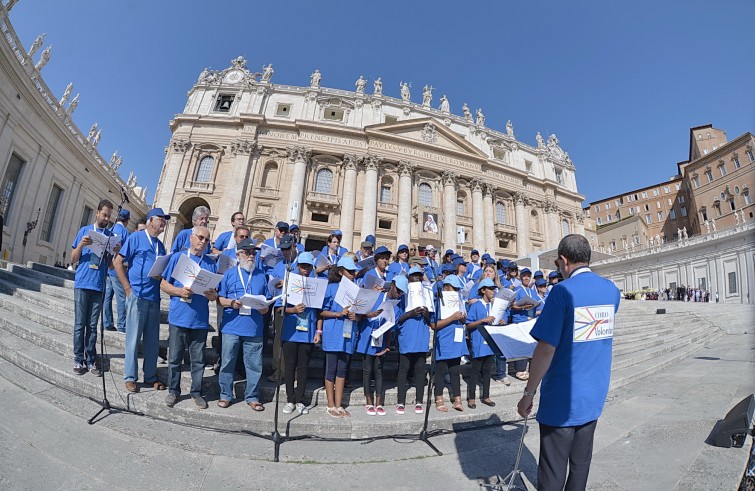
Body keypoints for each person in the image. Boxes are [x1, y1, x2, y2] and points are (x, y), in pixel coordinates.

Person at [517, 234, 620, 491]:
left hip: (562, 397)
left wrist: (529, 393)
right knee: (580, 465)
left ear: (563, 261)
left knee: (552, 470)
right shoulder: (611, 289)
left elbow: (545, 349)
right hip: (594, 393)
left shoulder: (562, 291)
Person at [161, 226, 219, 409]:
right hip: (179, 316)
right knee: (175, 357)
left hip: (200, 319)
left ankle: (196, 391)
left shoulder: (210, 264)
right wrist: (179, 291)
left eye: (207, 240)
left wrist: (212, 295)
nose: (203, 242)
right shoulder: (178, 257)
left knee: (198, 360)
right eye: (200, 237)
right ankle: (173, 390)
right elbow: (163, 283)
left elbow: (215, 293)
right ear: (191, 238)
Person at [115, 208, 170, 393]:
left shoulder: (160, 246)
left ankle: (150, 376)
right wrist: (127, 288)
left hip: (154, 298)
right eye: (161, 219)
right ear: (151, 220)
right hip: (137, 295)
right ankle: (130, 377)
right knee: (133, 339)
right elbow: (117, 262)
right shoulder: (136, 238)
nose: (164, 222)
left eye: (165, 220)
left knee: (152, 341)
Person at [216, 238, 267, 410]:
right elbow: (219, 299)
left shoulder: (261, 275)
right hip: (231, 325)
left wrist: (264, 309)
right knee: (228, 362)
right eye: (247, 252)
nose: (251, 256)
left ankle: (252, 396)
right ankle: (225, 394)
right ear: (238, 254)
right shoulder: (229, 274)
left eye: (253, 253)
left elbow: (266, 302)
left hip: (254, 327)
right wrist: (231, 303)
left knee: (254, 365)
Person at [70, 199, 117, 376]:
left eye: (109, 216)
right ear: (97, 213)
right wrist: (82, 244)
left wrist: (115, 252)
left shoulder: (109, 238)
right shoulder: (84, 231)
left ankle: (91, 360)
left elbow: (112, 267)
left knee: (92, 325)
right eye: (104, 214)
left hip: (98, 286)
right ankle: (78, 359)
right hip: (82, 283)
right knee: (79, 324)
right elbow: (73, 258)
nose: (106, 218)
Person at [320, 256, 361, 417]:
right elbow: (321, 311)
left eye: (353, 271)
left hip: (348, 332)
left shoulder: (356, 289)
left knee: (343, 369)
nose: (352, 274)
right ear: (341, 272)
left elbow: (360, 313)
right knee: (331, 368)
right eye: (349, 271)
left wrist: (356, 317)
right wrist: (338, 313)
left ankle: (339, 404)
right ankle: (330, 404)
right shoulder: (331, 288)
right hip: (333, 332)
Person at [357, 275, 404, 416]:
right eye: (398, 290)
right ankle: (369, 401)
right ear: (393, 285)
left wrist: (387, 345)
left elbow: (390, 325)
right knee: (367, 370)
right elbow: (359, 315)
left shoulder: (395, 305)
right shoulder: (375, 295)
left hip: (381, 340)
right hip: (367, 337)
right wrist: (370, 315)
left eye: (402, 292)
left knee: (379, 370)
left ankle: (379, 402)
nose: (399, 293)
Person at [280, 252, 320, 415]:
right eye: (302, 266)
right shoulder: (288, 282)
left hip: (308, 332)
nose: (305, 269)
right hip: (290, 331)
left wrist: (318, 331)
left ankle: (300, 400)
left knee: (303, 367)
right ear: (297, 266)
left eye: (308, 266)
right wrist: (293, 310)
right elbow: (279, 308)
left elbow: (319, 312)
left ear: (312, 267)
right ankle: (290, 399)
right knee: (289, 367)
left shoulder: (316, 284)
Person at [395, 266, 432, 415]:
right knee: (403, 371)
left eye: (419, 276)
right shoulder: (402, 296)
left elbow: (431, 321)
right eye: (414, 276)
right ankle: (400, 401)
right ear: (408, 278)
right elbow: (397, 319)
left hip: (421, 337)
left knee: (420, 371)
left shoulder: (426, 295)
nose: (417, 278)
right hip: (407, 337)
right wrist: (411, 313)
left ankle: (419, 401)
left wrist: (426, 314)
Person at [432, 275, 468, 412]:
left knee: (455, 370)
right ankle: (439, 398)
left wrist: (463, 318)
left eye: (457, 288)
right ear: (445, 287)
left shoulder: (460, 301)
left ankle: (457, 398)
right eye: (454, 288)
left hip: (457, 339)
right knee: (441, 370)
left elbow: (464, 321)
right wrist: (452, 317)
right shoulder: (438, 303)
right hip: (444, 339)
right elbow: (434, 325)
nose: (456, 291)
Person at [465, 278, 502, 408]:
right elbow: (468, 325)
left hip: (491, 343)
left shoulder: (495, 306)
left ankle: (486, 396)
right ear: (483, 290)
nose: (493, 291)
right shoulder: (476, 305)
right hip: (479, 343)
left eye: (493, 289)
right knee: (475, 371)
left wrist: (501, 322)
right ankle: (471, 398)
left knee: (487, 371)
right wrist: (482, 320)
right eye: (490, 288)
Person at [104, 209, 130, 333]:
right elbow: (127, 253)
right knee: (121, 298)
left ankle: (107, 322)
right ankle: (122, 325)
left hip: (108, 269)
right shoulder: (125, 232)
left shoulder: (111, 229)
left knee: (107, 297)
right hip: (118, 271)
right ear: (127, 221)